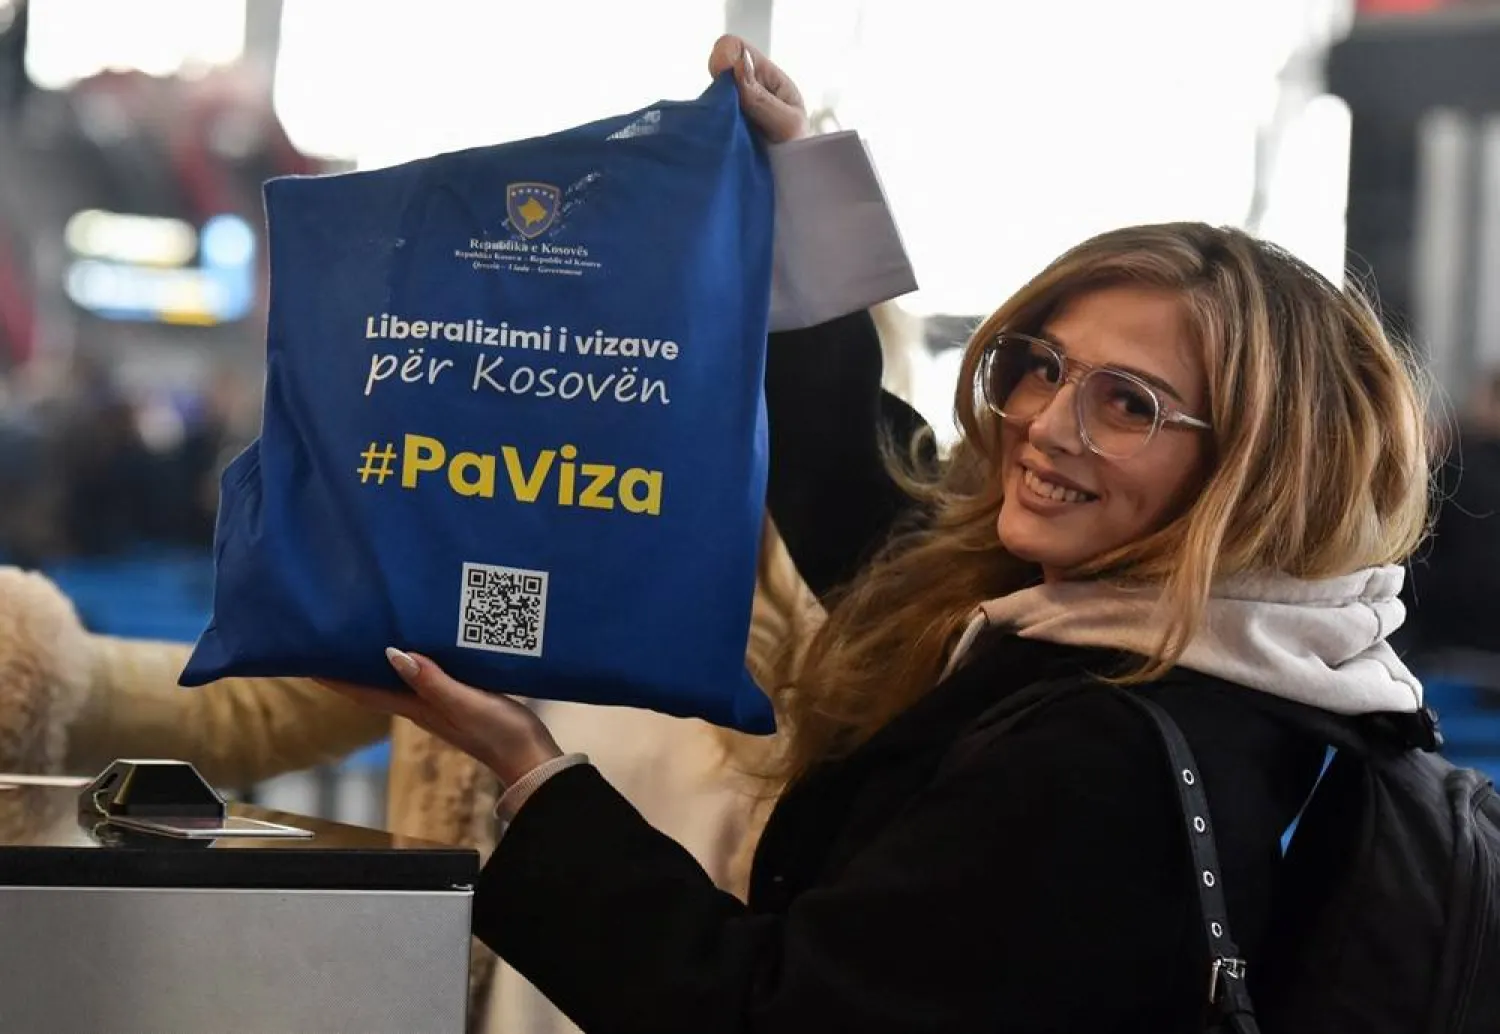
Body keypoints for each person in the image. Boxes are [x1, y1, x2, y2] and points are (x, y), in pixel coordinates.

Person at [330, 217, 1433, 1026]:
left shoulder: (1105, 753)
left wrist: (525, 765)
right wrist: (777, 181)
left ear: (1255, 466)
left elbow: (768, 1013)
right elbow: (862, 499)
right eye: (1041, 366)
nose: (1046, 423)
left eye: (1128, 402)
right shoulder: (1253, 652)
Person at [0, 37, 891, 1034]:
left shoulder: (862, 616)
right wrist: (31, 663)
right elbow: (261, 712)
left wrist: (801, 195)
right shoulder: (513, 548)